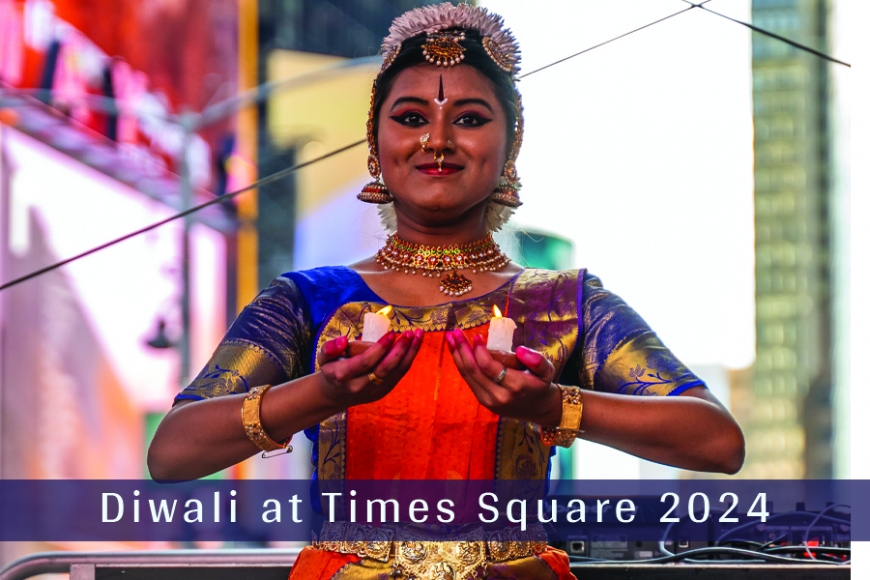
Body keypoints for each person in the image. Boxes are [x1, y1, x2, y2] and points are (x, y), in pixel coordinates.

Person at [148, 4, 745, 579]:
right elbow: (172, 456)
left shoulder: (567, 302)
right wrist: (320, 392)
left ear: (509, 146)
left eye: (468, 118)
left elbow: (717, 444)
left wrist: (550, 407)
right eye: (411, 118)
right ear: (376, 145)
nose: (437, 140)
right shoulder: (307, 301)